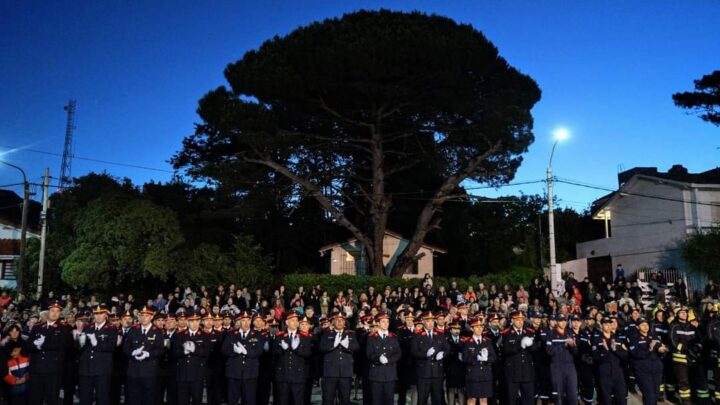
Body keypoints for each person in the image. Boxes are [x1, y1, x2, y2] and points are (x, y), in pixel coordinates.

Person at [26, 300, 73, 405]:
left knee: (51, 399)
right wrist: (37, 346)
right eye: (52, 310)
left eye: (57, 311)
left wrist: (41, 345)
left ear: (60, 313)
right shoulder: (37, 327)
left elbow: (64, 345)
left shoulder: (64, 328)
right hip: (36, 369)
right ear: (48, 312)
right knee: (34, 399)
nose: (55, 313)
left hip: (53, 370)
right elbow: (28, 346)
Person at [123, 306, 165, 405]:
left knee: (149, 398)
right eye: (142, 315)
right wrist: (132, 353)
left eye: (147, 316)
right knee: (134, 398)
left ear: (151, 317)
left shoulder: (157, 331)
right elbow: (125, 348)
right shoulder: (133, 330)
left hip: (149, 371)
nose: (144, 318)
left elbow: (160, 350)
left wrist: (149, 354)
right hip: (134, 371)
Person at [77, 304, 118, 405]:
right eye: (96, 314)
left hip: (102, 369)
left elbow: (111, 347)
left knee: (102, 397)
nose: (98, 316)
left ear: (105, 315)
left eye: (101, 314)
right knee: (85, 398)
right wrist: (78, 340)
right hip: (86, 368)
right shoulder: (88, 327)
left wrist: (96, 344)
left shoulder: (111, 328)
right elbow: (80, 348)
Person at [222, 310, 263, 405]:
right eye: (243, 320)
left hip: (250, 373)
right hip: (233, 373)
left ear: (251, 321)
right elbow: (224, 350)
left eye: (248, 320)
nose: (246, 323)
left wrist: (246, 352)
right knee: (232, 400)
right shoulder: (231, 334)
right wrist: (234, 351)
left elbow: (259, 351)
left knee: (249, 400)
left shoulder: (257, 335)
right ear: (239, 321)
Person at [273, 311, 313, 405]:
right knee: (283, 401)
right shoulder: (279, 336)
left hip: (298, 376)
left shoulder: (304, 336)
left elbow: (308, 353)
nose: (295, 323)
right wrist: (282, 349)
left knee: (298, 401)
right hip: (283, 375)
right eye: (292, 320)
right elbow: (273, 352)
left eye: (296, 320)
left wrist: (297, 349)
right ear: (287, 322)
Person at [319, 312, 359, 405]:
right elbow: (321, 348)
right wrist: (333, 344)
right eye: (337, 320)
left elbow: (357, 348)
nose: (339, 322)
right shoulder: (326, 333)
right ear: (333, 322)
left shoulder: (351, 334)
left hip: (345, 372)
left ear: (345, 322)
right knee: (328, 400)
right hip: (330, 373)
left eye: (342, 320)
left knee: (345, 400)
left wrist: (348, 345)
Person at [173, 309, 211, 405]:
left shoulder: (205, 335)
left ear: (199, 322)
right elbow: (175, 352)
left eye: (196, 321)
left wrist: (195, 350)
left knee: (197, 400)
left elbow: (207, 352)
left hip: (197, 374)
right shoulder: (179, 335)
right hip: (183, 374)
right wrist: (184, 351)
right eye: (191, 321)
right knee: (182, 401)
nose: (194, 323)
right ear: (187, 322)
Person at [499, 310, 537, 405]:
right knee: (511, 400)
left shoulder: (529, 331)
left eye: (522, 319)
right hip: (513, 371)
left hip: (526, 371)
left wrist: (531, 344)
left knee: (528, 400)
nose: (520, 322)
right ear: (512, 320)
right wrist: (520, 345)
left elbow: (535, 349)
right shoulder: (506, 333)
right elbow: (506, 350)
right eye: (517, 319)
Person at [411, 311, 449, 405]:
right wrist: (425, 354)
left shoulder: (440, 334)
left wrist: (443, 354)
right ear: (423, 321)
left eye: (432, 321)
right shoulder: (417, 335)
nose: (431, 323)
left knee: (437, 400)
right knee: (422, 400)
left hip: (437, 373)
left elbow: (447, 348)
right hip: (423, 374)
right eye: (428, 321)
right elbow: (413, 352)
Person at [365, 312, 401, 405]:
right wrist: (378, 358)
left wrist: (389, 360)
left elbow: (398, 353)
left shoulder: (393, 337)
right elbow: (369, 354)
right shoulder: (371, 337)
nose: (386, 324)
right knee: (376, 401)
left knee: (389, 401)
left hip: (390, 374)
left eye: (387, 322)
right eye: (383, 321)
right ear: (378, 323)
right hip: (376, 374)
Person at [629, 317, 666, 405]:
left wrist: (662, 350)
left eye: (646, 324)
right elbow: (635, 354)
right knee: (649, 395)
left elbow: (660, 349)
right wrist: (649, 350)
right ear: (638, 327)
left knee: (656, 395)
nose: (645, 326)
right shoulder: (634, 338)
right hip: (643, 371)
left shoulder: (653, 336)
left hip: (656, 369)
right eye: (642, 325)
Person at [592, 317, 628, 405]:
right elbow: (596, 358)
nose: (608, 326)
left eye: (609, 324)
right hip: (604, 372)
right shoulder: (597, 340)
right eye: (605, 324)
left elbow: (626, 356)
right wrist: (606, 350)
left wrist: (615, 350)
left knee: (621, 398)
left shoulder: (618, 339)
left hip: (618, 371)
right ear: (601, 326)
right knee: (606, 399)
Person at [461, 317, 496, 405]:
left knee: (484, 400)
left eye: (481, 327)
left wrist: (486, 359)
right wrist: (477, 358)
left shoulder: (487, 341)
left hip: (485, 374)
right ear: (472, 328)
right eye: (476, 327)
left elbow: (494, 357)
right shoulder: (467, 342)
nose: (479, 329)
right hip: (473, 374)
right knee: (472, 399)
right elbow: (465, 358)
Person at [545, 314, 578, 405]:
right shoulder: (551, 334)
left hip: (570, 366)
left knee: (573, 395)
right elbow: (549, 351)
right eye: (561, 320)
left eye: (565, 320)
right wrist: (564, 345)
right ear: (556, 321)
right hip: (556, 367)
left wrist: (573, 346)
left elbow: (575, 352)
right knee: (558, 396)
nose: (563, 323)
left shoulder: (570, 333)